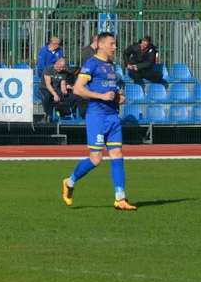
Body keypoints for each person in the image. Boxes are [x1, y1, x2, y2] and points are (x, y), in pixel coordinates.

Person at [62, 32, 137, 211]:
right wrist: (101, 96)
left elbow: (113, 87)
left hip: (112, 116)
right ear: (101, 45)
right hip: (97, 116)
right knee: (96, 159)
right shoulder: (91, 64)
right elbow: (78, 89)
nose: (115, 47)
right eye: (112, 44)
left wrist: (119, 96)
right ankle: (69, 182)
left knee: (117, 155)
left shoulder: (111, 65)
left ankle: (120, 198)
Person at [39, 57, 76, 122]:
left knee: (72, 98)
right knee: (46, 96)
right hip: (45, 89)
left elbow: (62, 84)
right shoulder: (48, 69)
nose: (62, 69)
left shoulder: (63, 72)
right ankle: (46, 114)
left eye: (63, 67)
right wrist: (55, 95)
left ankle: (71, 115)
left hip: (56, 89)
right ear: (57, 63)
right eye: (61, 67)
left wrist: (64, 91)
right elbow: (48, 84)